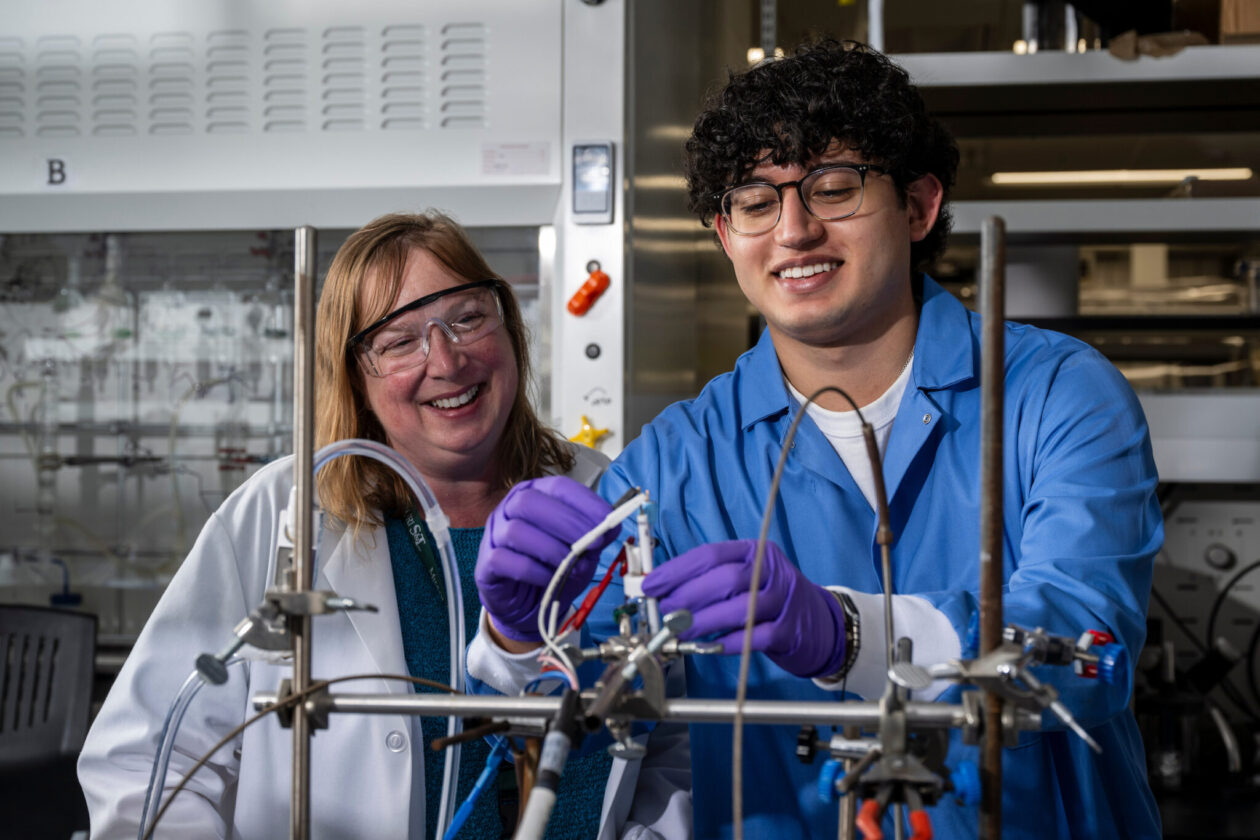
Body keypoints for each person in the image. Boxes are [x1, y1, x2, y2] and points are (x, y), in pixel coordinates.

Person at [469, 40, 1163, 838]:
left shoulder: (1053, 393)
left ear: (919, 204)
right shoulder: (681, 457)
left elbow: (1086, 640)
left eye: (833, 189)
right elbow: (585, 697)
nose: (794, 231)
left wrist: (848, 635)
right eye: (755, 203)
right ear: (727, 236)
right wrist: (520, 630)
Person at [77, 211, 628, 838]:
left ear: (509, 324)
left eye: (467, 317)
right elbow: (146, 758)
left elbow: (672, 745)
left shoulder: (600, 493)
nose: (446, 360)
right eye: (398, 342)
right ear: (355, 378)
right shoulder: (283, 512)